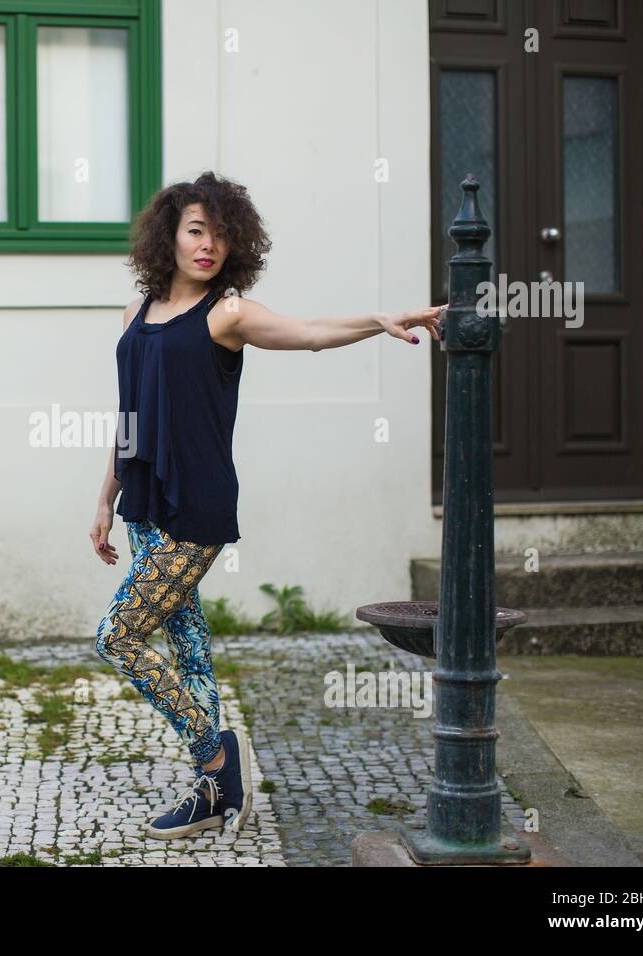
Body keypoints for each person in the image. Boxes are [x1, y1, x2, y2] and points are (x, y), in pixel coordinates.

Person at [90, 171, 443, 841]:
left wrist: (379, 320)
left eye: (222, 236)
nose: (209, 246)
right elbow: (128, 413)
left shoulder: (228, 313)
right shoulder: (135, 314)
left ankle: (216, 760)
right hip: (142, 502)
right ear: (171, 234)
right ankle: (215, 796)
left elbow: (308, 331)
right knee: (187, 644)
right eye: (197, 231)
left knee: (118, 636)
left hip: (196, 506)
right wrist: (105, 498)